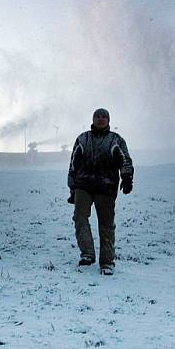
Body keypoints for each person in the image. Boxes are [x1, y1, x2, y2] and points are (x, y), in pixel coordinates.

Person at [67, 108, 133, 275]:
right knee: (80, 218)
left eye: (104, 116)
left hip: (106, 186)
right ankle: (87, 254)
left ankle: (107, 262)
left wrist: (126, 177)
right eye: (98, 116)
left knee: (106, 224)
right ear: (93, 119)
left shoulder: (115, 140)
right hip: (83, 185)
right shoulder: (83, 138)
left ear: (108, 120)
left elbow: (125, 159)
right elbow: (73, 163)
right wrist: (72, 186)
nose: (100, 119)